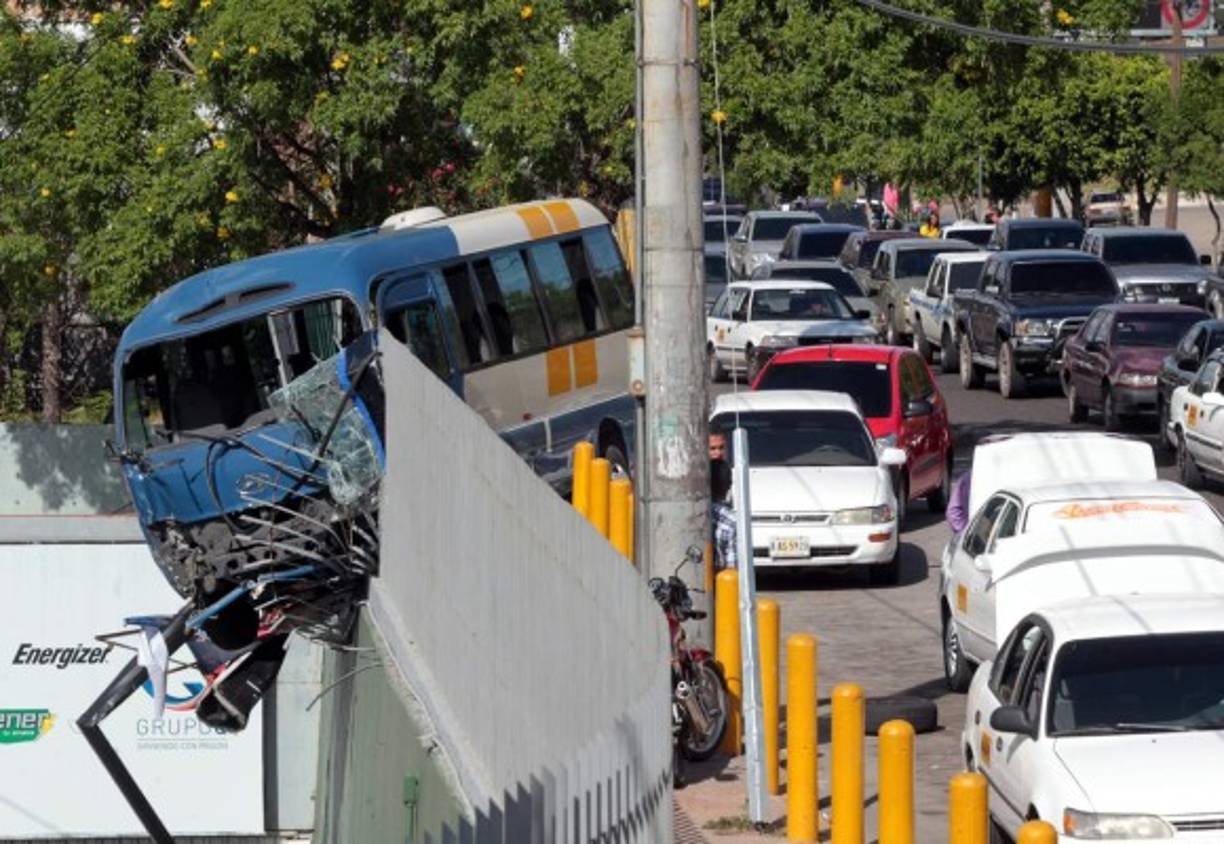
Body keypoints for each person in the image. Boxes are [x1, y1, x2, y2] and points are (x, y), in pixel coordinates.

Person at [710, 457, 737, 569]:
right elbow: (732, 567)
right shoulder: (732, 521)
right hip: (721, 577)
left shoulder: (696, 514)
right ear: (729, 485)